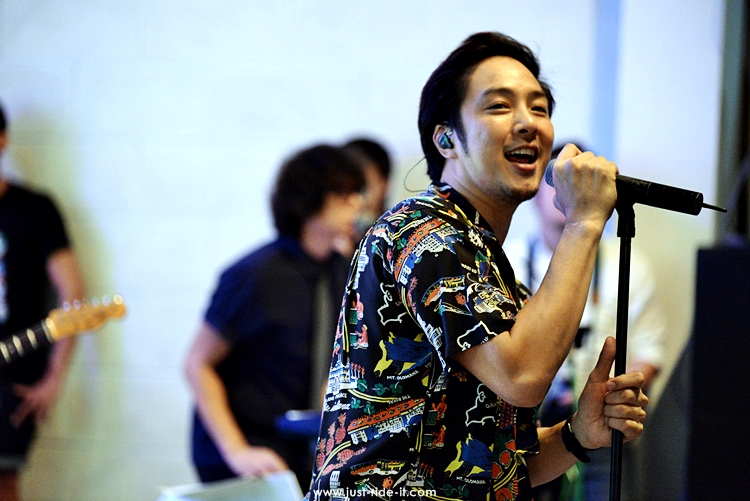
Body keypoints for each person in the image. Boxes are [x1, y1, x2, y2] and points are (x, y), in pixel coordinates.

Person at [305, 32, 649, 501]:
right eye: (500, 106)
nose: (528, 123)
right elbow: (522, 378)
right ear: (446, 139)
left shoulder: (495, 275)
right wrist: (585, 220)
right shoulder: (422, 231)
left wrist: (576, 435)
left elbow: (495, 470)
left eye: (540, 108)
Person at [184, 144, 366, 489]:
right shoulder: (254, 275)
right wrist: (237, 451)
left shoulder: (343, 271)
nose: (357, 204)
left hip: (301, 451)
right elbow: (197, 364)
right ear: (310, 199)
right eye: (344, 195)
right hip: (244, 453)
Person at [505, 142, 665, 500]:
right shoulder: (507, 260)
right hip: (528, 422)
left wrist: (615, 397)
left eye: (581, 180)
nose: (569, 192)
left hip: (599, 422)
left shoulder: (630, 264)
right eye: (558, 180)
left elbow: (650, 349)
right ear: (534, 193)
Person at [0, 102, 85, 501]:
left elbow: (73, 297)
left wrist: (54, 377)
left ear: (3, 140)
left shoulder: (34, 209)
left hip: (12, 379)